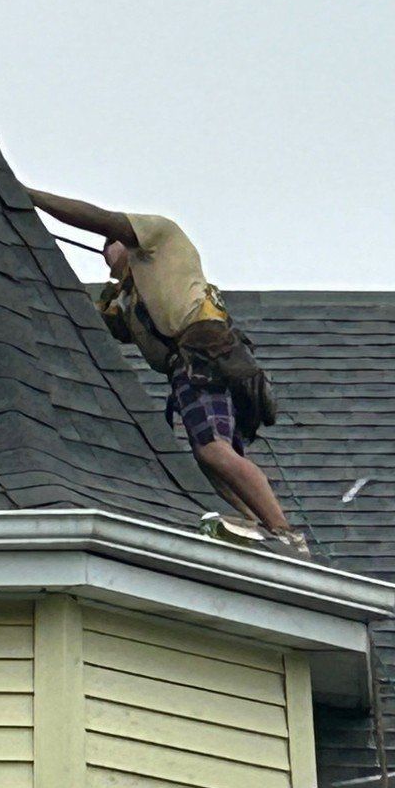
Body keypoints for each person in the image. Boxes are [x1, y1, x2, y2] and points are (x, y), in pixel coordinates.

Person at [26, 189, 306, 555]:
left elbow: (96, 218)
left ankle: (284, 532)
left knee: (212, 450)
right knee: (211, 463)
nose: (104, 253)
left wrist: (30, 197)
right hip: (197, 363)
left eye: (108, 245)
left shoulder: (158, 237)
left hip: (204, 352)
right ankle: (258, 528)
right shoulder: (128, 298)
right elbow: (81, 310)